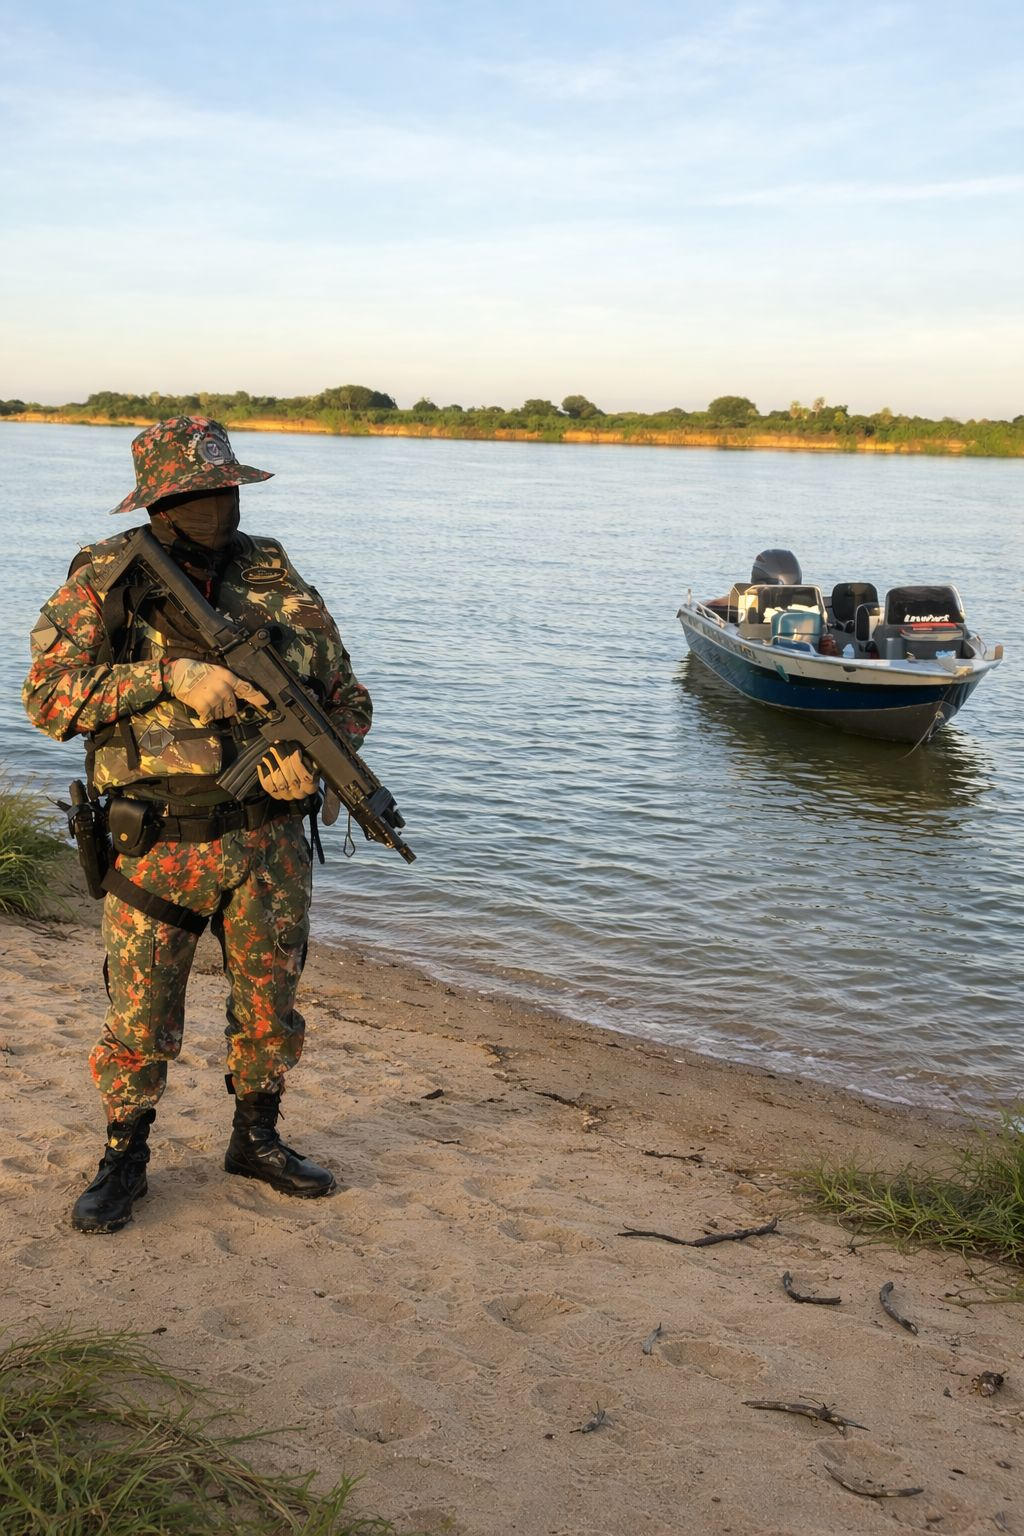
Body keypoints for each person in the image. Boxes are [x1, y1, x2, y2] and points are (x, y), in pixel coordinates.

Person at [23, 416, 372, 1234]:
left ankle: (256, 1139)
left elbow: (348, 699)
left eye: (225, 489)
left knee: (270, 1005)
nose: (216, 506)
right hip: (160, 842)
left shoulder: (276, 574)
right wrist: (169, 676)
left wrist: (313, 760)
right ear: (157, 501)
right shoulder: (105, 578)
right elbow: (47, 699)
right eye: (196, 493)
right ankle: (124, 1156)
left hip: (270, 839)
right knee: (140, 1016)